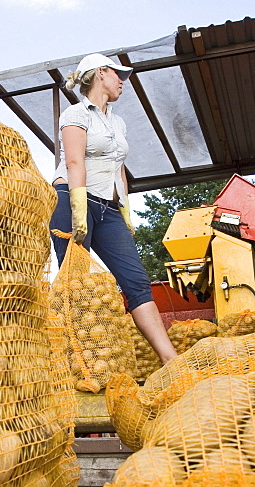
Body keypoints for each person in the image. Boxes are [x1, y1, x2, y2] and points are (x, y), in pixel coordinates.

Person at [49, 53, 179, 364]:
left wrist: (125, 208)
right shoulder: (75, 114)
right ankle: (79, 363)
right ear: (100, 74)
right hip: (72, 200)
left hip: (109, 208)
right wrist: (79, 209)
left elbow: (119, 166)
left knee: (136, 281)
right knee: (76, 285)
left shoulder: (117, 121)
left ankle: (170, 359)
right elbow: (74, 161)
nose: (122, 80)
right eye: (117, 74)